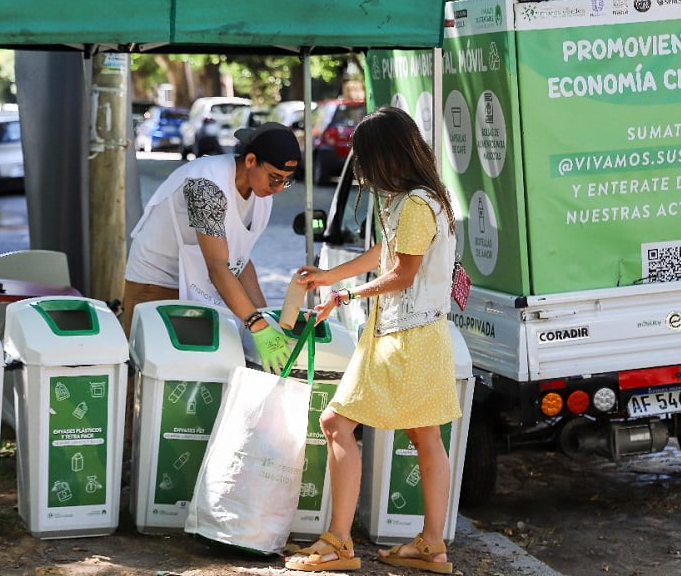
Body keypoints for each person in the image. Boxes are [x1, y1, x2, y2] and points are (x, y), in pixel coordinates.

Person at [283, 106, 462, 574]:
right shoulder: (425, 199)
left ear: (385, 156)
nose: (360, 168)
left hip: (402, 341)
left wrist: (342, 293)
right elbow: (384, 254)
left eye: (364, 157)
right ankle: (431, 545)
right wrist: (330, 276)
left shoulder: (414, 205)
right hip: (423, 337)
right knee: (427, 439)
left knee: (335, 424)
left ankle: (338, 543)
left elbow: (402, 274)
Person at [122, 121, 301, 374]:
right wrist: (255, 323)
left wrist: (266, 317)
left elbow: (240, 261)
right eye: (274, 178)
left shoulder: (262, 196)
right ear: (250, 160)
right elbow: (218, 267)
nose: (279, 188)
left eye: (286, 181)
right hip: (157, 281)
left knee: (206, 375)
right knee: (152, 375)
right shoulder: (207, 185)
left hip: (203, 280)